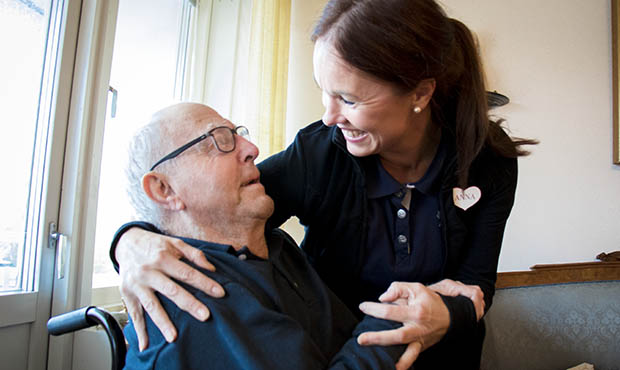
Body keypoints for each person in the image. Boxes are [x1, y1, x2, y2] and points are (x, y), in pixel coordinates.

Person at [111, 0, 536, 368]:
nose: (330, 116)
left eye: (348, 99)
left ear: (420, 93)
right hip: (341, 357)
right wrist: (129, 240)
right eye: (325, 93)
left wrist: (450, 315)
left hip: (443, 358)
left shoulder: (489, 161)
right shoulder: (320, 154)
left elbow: (476, 285)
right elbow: (217, 216)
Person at [122, 102, 408, 369]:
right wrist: (396, 319)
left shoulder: (274, 247)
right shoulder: (192, 304)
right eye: (216, 140)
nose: (252, 149)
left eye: (238, 134)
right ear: (164, 189)